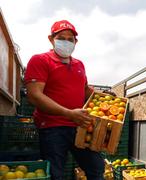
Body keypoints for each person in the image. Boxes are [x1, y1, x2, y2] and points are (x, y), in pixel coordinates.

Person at [24, 20, 105, 180]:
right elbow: (34, 95)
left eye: (70, 39)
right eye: (61, 38)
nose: (66, 42)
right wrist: (68, 113)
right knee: (56, 174)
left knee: (96, 168)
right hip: (52, 128)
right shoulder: (40, 60)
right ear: (51, 39)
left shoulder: (79, 64)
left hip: (80, 126)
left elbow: (85, 90)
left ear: (76, 42)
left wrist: (106, 98)